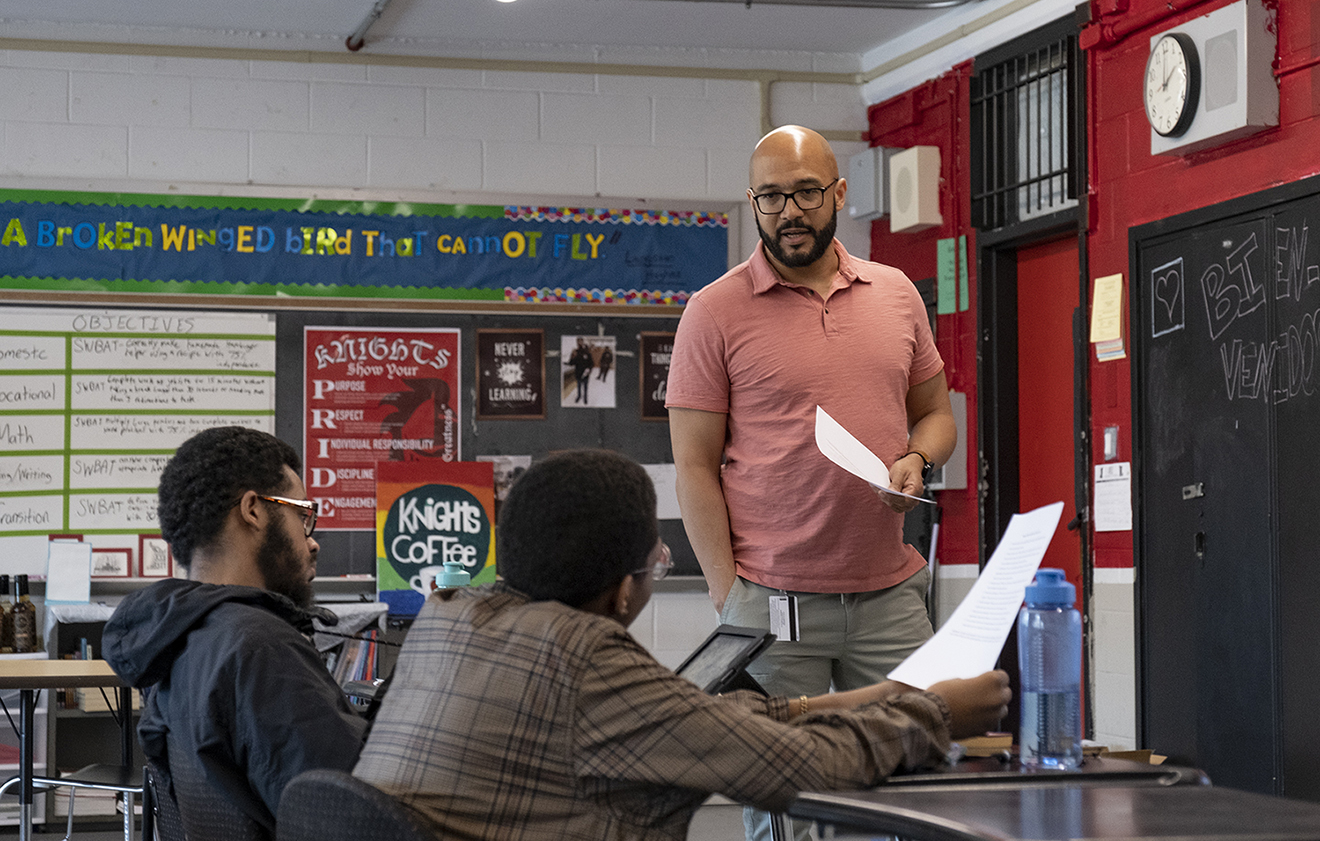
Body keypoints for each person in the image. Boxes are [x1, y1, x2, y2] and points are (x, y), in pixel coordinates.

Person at [353, 449, 1009, 841]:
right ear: (620, 592)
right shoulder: (586, 662)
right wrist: (939, 715)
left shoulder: (449, 618)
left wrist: (894, 692)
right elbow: (803, 767)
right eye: (655, 565)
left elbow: (709, 722)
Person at [666, 124, 957, 838]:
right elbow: (694, 466)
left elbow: (937, 416)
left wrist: (917, 459)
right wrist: (727, 593)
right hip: (770, 601)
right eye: (770, 197)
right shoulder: (714, 311)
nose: (789, 211)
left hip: (890, 594)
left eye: (804, 192)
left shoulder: (895, 295)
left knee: (915, 782)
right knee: (783, 804)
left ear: (839, 193)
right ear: (753, 202)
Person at [102, 426, 367, 837]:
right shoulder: (262, 649)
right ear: (253, 510)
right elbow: (355, 817)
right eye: (302, 515)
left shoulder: (177, 637)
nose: (311, 541)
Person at [568, 336, 593, 403]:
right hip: (578, 373)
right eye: (578, 341)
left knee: (585, 387)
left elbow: (591, 363)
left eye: (581, 341)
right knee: (578, 386)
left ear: (583, 342)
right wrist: (572, 355)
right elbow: (571, 363)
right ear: (577, 342)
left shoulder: (587, 352)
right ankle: (579, 396)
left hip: (585, 373)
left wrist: (589, 369)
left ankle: (585, 397)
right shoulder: (576, 352)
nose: (580, 343)